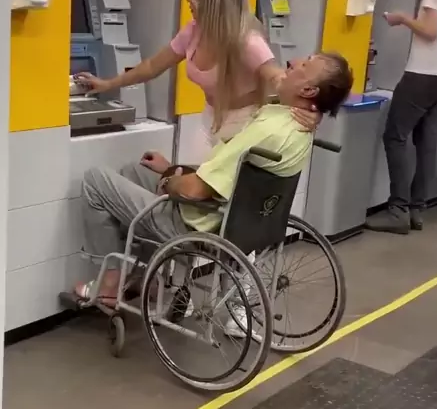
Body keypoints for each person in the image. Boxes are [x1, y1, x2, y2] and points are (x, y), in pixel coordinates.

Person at [73, 52, 353, 305]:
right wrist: (171, 169)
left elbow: (194, 191)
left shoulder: (268, 129)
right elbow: (231, 175)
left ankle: (109, 284)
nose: (292, 62)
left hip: (195, 223)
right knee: (133, 172)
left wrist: (169, 182)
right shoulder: (297, 126)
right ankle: (144, 275)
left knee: (95, 179)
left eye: (304, 65)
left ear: (308, 90)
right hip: (239, 222)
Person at [75, 0, 318, 156]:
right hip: (209, 119)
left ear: (212, 1)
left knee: (209, 193)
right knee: (189, 186)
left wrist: (309, 109)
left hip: (245, 125)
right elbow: (151, 66)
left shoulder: (247, 41)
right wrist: (107, 84)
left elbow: (278, 78)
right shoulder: (193, 31)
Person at [366, 0, 437, 234]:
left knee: (395, 136)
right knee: (427, 139)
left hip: (423, 72)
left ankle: (397, 210)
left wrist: (401, 19)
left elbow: (430, 30)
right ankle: (417, 210)